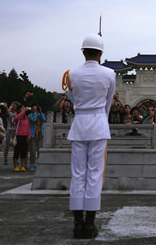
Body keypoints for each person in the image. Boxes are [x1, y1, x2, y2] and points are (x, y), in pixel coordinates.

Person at [65, 33, 115, 239]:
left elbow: (72, 99)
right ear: (101, 53)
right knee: (95, 174)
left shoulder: (72, 74)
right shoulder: (109, 74)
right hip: (98, 124)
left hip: (79, 125)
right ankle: (90, 223)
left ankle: (77, 224)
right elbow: (108, 101)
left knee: (78, 173)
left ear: (83, 52)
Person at [13, 103, 31, 172]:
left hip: (25, 136)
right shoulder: (18, 117)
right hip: (18, 135)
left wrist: (28, 136)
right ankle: (15, 166)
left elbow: (29, 127)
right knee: (17, 151)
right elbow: (16, 118)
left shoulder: (27, 118)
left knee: (24, 152)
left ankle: (23, 166)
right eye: (22, 108)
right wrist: (23, 111)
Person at [28, 104, 46, 171]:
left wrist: (40, 113)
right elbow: (34, 120)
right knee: (32, 151)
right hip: (33, 135)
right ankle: (32, 164)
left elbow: (44, 120)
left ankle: (39, 163)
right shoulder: (30, 115)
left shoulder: (40, 114)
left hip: (40, 134)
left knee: (40, 150)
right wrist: (35, 113)